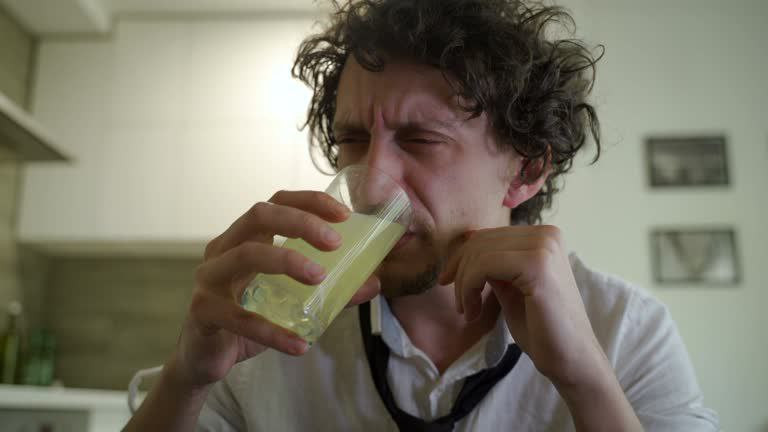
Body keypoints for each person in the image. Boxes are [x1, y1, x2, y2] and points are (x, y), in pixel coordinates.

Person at [124, 0, 720, 430]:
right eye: (352, 140)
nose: (373, 180)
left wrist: (585, 381)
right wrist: (186, 379)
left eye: (420, 140)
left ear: (527, 170)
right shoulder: (271, 324)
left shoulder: (625, 332)